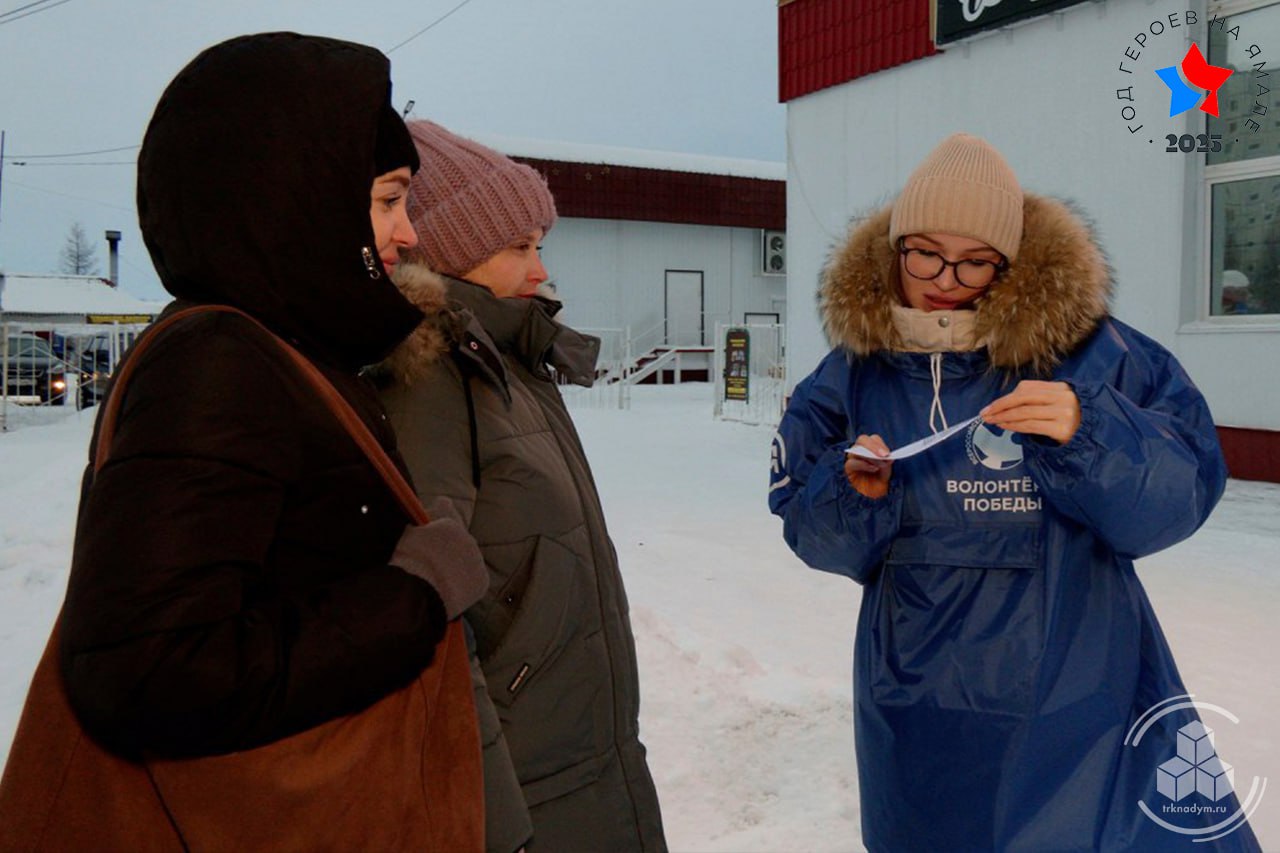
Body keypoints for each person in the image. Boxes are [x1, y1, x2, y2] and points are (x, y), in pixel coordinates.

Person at [0, 33, 488, 849]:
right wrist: (411, 598)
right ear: (294, 196)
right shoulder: (218, 364)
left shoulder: (284, 349)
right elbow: (147, 667)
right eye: (388, 200)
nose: (407, 235)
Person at [769, 133, 1261, 851]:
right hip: (916, 708)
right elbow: (806, 526)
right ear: (895, 248)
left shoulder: (1095, 353)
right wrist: (852, 493)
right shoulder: (854, 374)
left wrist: (1091, 429)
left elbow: (1179, 495)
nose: (944, 276)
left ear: (1012, 263)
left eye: (975, 260)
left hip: (1079, 702)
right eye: (925, 253)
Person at [375, 119, 667, 852]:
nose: (540, 271)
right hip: (525, 788)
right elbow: (433, 622)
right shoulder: (428, 380)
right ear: (448, 251)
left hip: (587, 760)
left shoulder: (512, 362)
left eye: (541, 245)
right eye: (518, 247)